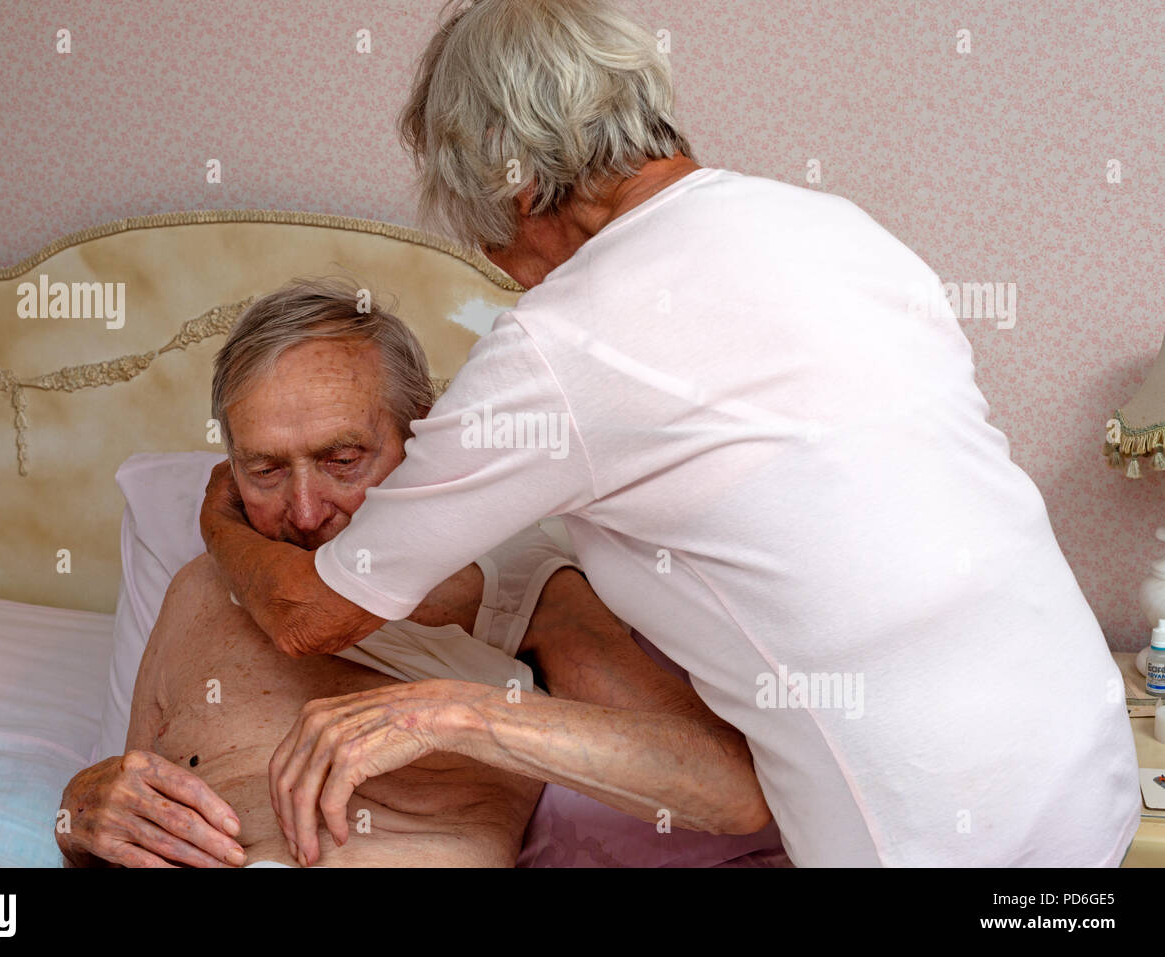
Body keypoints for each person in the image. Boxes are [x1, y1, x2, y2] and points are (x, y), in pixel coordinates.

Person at [199, 0, 1141, 867]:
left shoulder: (561, 343)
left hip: (922, 827)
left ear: (518, 186)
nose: (499, 269)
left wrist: (219, 515)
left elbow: (308, 614)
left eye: (486, 237)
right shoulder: (838, 228)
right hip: (1086, 772)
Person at [56, 279, 773, 867]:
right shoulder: (200, 589)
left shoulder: (512, 584)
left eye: (342, 460)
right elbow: (120, 821)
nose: (305, 512)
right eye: (266, 469)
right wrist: (75, 817)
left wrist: (452, 715)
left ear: (418, 435)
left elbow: (726, 785)